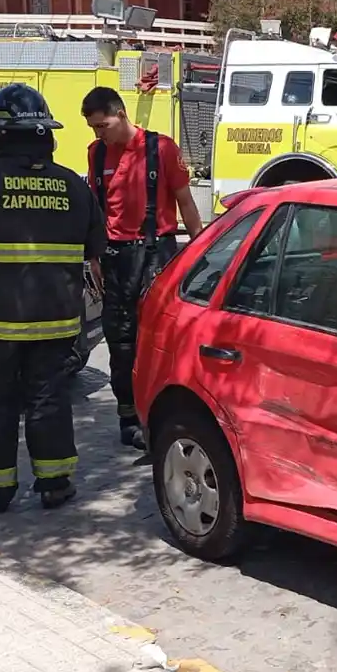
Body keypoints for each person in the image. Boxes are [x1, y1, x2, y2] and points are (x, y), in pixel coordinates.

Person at [0, 83, 106, 513]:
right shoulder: (72, 185)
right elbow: (95, 245)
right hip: (56, 322)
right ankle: (55, 483)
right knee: (49, 399)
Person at [80, 86, 204, 450]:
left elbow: (186, 203)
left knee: (157, 341)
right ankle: (128, 419)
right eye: (93, 128)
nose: (98, 134)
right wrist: (93, 256)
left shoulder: (160, 149)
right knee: (120, 341)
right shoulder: (96, 153)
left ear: (120, 114)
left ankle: (161, 418)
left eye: (102, 125)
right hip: (113, 258)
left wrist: (200, 252)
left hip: (154, 256)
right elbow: (96, 210)